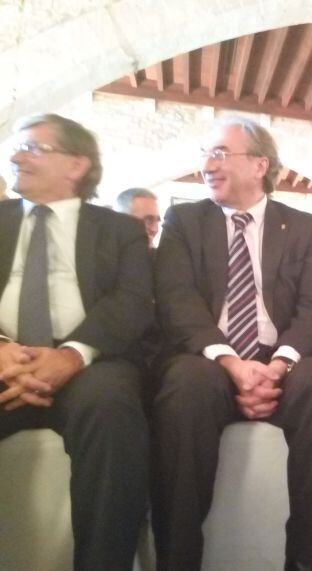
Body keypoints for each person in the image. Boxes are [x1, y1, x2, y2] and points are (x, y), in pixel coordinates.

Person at [151, 115, 312, 571]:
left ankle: (306, 559)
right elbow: (177, 299)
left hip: (283, 356)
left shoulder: (302, 226)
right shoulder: (184, 220)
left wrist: (278, 365)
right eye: (205, 154)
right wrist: (230, 363)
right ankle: (178, 560)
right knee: (186, 388)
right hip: (207, 356)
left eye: (220, 153)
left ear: (260, 165)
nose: (207, 165)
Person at [0, 113, 153, 570]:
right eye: (16, 147)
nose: (15, 156)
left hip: (88, 363)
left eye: (32, 147)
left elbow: (132, 302)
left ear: (76, 164)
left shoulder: (119, 230)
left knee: (112, 406)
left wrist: (71, 354)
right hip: (5, 356)